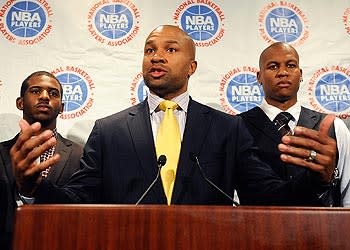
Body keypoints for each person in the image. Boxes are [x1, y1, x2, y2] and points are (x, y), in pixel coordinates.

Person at [9, 26, 338, 207]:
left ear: (191, 66)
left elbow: (266, 196)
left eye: (170, 49)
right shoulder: (108, 131)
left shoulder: (227, 128)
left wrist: (318, 180)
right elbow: (79, 199)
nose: (157, 57)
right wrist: (32, 188)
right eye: (150, 49)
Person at [238, 42, 350, 206]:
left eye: (291, 65)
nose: (283, 72)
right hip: (258, 229)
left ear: (301, 74)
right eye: (273, 66)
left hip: (322, 229)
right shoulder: (236, 127)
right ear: (259, 77)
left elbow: (347, 193)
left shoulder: (335, 127)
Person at [0, 71, 83, 250]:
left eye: (53, 93)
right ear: (20, 103)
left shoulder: (81, 154)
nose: (45, 97)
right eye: (36, 91)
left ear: (62, 107)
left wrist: (35, 187)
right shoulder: (0, 152)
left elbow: (83, 207)